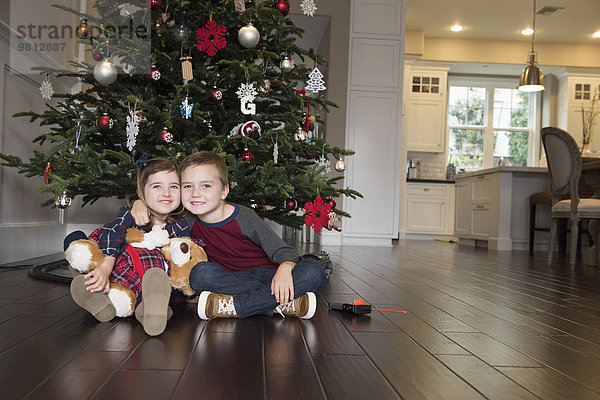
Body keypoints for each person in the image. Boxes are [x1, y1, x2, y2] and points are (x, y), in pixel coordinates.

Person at [131, 151, 328, 320]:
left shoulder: (244, 217)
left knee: (314, 271)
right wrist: (138, 202)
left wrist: (285, 268)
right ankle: (280, 303)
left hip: (269, 274)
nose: (196, 193)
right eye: (188, 186)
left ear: (224, 191)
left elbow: (283, 251)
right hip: (232, 280)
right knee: (199, 274)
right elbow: (159, 215)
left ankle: (235, 306)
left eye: (206, 186)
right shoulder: (187, 220)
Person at [64, 157, 189, 336]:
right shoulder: (131, 213)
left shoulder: (180, 226)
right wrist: (106, 266)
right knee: (74, 240)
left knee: (152, 286)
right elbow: (111, 230)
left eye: (174, 187)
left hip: (145, 282)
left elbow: (182, 260)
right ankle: (94, 292)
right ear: (142, 192)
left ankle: (149, 311)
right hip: (113, 271)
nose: (167, 193)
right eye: (157, 186)